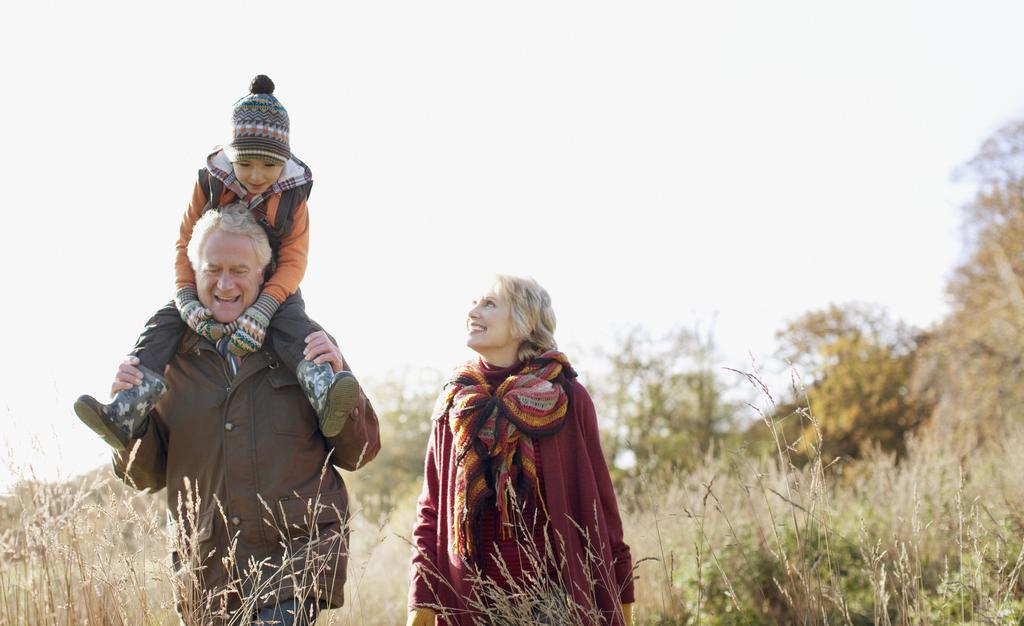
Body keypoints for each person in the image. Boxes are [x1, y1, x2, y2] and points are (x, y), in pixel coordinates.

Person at [107, 207, 380, 625]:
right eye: (212, 269)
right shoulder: (166, 360)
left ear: (263, 274)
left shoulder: (304, 345)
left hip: (292, 565)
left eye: (239, 270)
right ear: (193, 272)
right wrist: (130, 423)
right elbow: (145, 476)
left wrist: (342, 376)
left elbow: (359, 454)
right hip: (205, 573)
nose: (225, 283)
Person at [74, 74, 357, 451]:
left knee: (296, 327)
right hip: (202, 285)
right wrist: (186, 296)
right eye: (246, 164)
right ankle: (127, 407)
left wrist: (267, 305)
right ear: (232, 156)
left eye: (268, 167)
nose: (257, 176)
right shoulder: (209, 183)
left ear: (284, 161)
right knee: (161, 326)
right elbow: (184, 244)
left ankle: (322, 391)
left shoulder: (294, 196)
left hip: (273, 285)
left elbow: (294, 260)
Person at [407, 275, 635, 626]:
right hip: (472, 602)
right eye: (473, 302)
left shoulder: (568, 399)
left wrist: (621, 592)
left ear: (524, 322)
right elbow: (431, 511)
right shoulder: (456, 404)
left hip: (556, 604)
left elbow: (601, 507)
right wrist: (421, 599)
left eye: (489, 303)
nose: (473, 311)